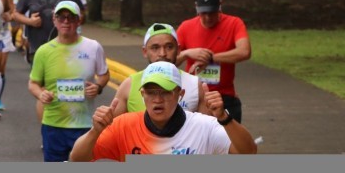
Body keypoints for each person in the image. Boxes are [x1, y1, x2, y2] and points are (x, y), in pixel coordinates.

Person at [69, 61, 257, 161]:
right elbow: (77, 159)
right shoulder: (123, 126)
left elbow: (249, 152)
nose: (157, 99)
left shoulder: (204, 126)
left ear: (180, 94)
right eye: (151, 92)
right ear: (142, 94)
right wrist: (95, 131)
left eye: (165, 92)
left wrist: (224, 118)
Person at [28, 0, 107, 162]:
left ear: (78, 21)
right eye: (61, 17)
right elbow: (33, 83)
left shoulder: (93, 47)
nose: (66, 21)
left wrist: (98, 86)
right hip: (53, 125)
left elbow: (104, 74)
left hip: (84, 125)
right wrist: (41, 94)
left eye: (71, 17)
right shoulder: (44, 51)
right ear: (54, 20)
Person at [176, 0, 250, 122]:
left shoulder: (234, 23)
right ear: (196, 7)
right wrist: (187, 53)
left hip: (224, 96)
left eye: (212, 12)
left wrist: (210, 58)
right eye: (203, 13)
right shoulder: (186, 27)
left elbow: (244, 51)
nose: (208, 18)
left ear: (220, 5)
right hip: (194, 96)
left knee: (231, 134)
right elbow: (169, 61)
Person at [113, 22, 207, 117]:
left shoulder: (194, 84)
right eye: (155, 48)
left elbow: (208, 125)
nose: (162, 53)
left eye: (169, 47)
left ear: (178, 50)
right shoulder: (129, 85)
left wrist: (216, 112)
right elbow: (111, 125)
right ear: (145, 51)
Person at [13, 0, 81, 65]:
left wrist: (68, 19)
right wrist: (30, 21)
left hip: (65, 47)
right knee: (39, 72)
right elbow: (16, 14)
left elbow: (81, 15)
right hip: (37, 47)